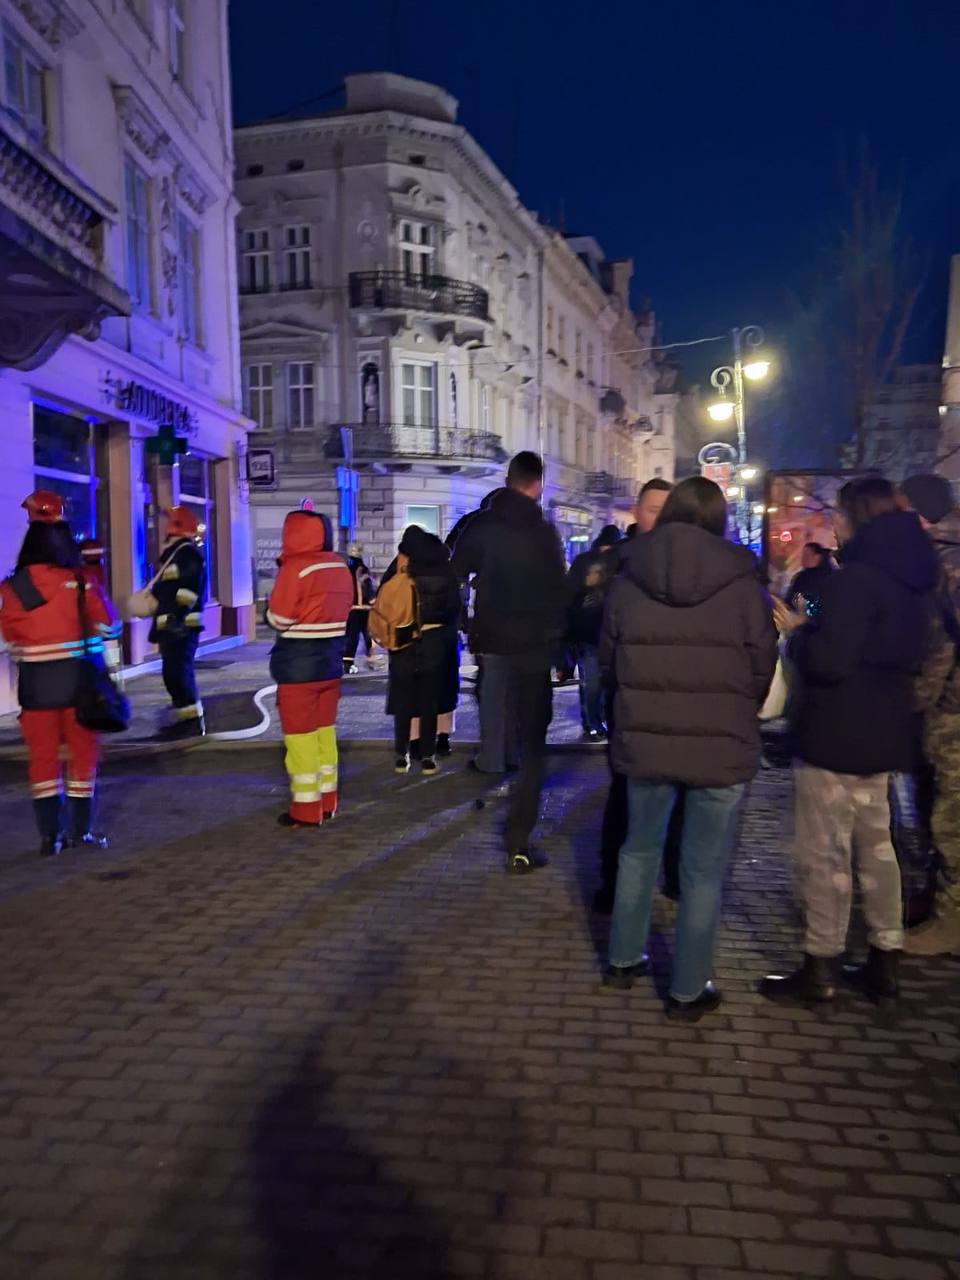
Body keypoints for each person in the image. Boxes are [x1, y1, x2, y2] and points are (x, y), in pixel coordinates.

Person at [601, 476, 777, 1020]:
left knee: (638, 849)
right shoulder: (744, 586)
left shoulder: (627, 578)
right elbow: (762, 665)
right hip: (720, 746)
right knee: (702, 870)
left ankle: (623, 959)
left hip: (646, 739)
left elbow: (608, 661)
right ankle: (687, 988)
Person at [761, 477, 939, 1005]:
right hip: (884, 729)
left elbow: (829, 660)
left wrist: (798, 634)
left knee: (824, 853)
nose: (833, 524)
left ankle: (821, 965)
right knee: (878, 848)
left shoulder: (856, 580)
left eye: (838, 514)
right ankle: (885, 958)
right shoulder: (912, 577)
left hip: (836, 732)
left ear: (858, 515)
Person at [452, 450, 567, 873]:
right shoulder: (545, 533)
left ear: (508, 480)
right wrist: (563, 651)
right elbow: (559, 595)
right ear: (538, 484)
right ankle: (519, 840)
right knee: (533, 745)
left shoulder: (481, 526)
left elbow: (454, 573)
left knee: (495, 718)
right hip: (534, 651)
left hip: (493, 644)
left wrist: (468, 619)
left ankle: (493, 766)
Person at [0, 492, 121, 856]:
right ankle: (81, 832)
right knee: (82, 755)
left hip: (36, 687)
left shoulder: (12, 587)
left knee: (42, 759)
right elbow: (111, 627)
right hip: (80, 684)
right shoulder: (81, 580)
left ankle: (49, 837)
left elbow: (9, 636)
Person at [596, 477, 679, 914]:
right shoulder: (618, 565)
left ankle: (674, 875)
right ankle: (614, 885)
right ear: (636, 512)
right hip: (631, 699)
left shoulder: (692, 564)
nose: (660, 518)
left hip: (679, 698)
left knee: (679, 792)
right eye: (652, 509)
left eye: (668, 509)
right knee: (625, 793)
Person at [900, 473, 960, 957]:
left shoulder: (949, 562)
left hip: (950, 713)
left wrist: (941, 692)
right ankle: (936, 900)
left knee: (950, 817)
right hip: (935, 708)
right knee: (935, 807)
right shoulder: (933, 557)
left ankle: (952, 918)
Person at [266, 507, 354, 827]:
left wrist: (268, 613)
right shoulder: (340, 566)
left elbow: (280, 618)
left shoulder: (295, 568)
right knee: (324, 735)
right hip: (330, 664)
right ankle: (328, 801)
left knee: (300, 739)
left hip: (298, 668)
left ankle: (306, 810)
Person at [384, 526, 462, 774]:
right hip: (438, 639)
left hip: (405, 638)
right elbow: (455, 607)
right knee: (435, 694)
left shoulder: (402, 569)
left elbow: (385, 602)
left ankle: (406, 750)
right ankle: (434, 749)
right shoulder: (445, 569)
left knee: (407, 695)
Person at [150, 506, 206, 741]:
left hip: (182, 628)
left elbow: (188, 591)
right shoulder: (175, 554)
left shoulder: (186, 555)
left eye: (168, 522)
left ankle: (192, 723)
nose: (163, 526)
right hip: (174, 627)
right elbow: (170, 590)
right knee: (173, 675)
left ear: (176, 526)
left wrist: (176, 616)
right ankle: (184, 720)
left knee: (179, 674)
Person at [567, 524, 622, 740]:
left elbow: (569, 596)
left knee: (591, 682)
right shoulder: (621, 562)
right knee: (604, 682)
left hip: (588, 631)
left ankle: (592, 723)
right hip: (610, 632)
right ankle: (598, 722)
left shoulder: (583, 561)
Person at [342, 545, 376, 675]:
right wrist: (373, 601)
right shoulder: (362, 569)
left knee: (351, 636)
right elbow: (367, 587)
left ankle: (347, 663)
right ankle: (372, 660)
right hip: (364, 609)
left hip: (350, 609)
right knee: (369, 635)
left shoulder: (345, 569)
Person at [785, 542, 834, 617]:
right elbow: (791, 599)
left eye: (807, 555)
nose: (803, 559)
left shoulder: (829, 577)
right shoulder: (801, 577)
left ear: (817, 557)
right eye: (803, 555)